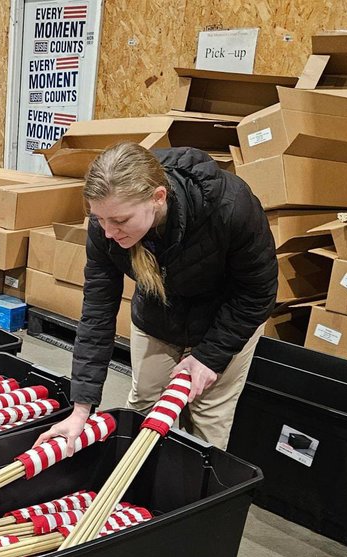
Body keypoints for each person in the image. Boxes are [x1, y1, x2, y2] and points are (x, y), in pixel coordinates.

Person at [35, 143, 278, 452]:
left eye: (120, 221)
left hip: (226, 316)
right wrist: (81, 408)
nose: (108, 232)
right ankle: (136, 489)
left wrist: (210, 357)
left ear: (158, 197)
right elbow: (98, 309)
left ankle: (192, 494)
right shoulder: (106, 223)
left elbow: (258, 292)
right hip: (158, 312)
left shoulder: (230, 205)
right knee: (143, 405)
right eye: (100, 219)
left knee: (207, 418)